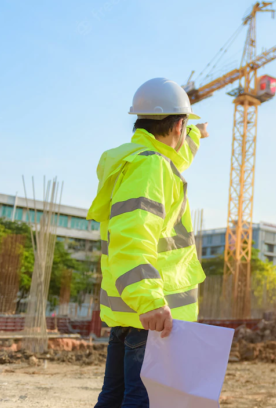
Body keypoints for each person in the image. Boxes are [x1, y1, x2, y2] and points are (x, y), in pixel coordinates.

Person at [87, 78, 209, 407]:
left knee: (113, 399)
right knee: (143, 401)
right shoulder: (151, 167)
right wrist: (150, 300)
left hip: (132, 316)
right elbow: (133, 235)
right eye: (186, 129)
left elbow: (176, 158)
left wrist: (197, 135)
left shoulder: (139, 159)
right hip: (152, 316)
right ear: (178, 124)